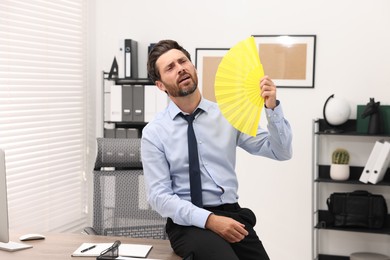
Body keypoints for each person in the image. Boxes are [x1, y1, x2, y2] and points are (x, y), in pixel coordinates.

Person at [141, 39, 293, 260]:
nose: (180, 68)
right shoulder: (154, 133)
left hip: (231, 214)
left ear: (193, 67)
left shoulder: (227, 115)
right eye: (170, 67)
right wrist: (210, 220)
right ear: (161, 85)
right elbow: (159, 197)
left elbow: (280, 151)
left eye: (183, 61)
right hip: (187, 223)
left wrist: (272, 108)